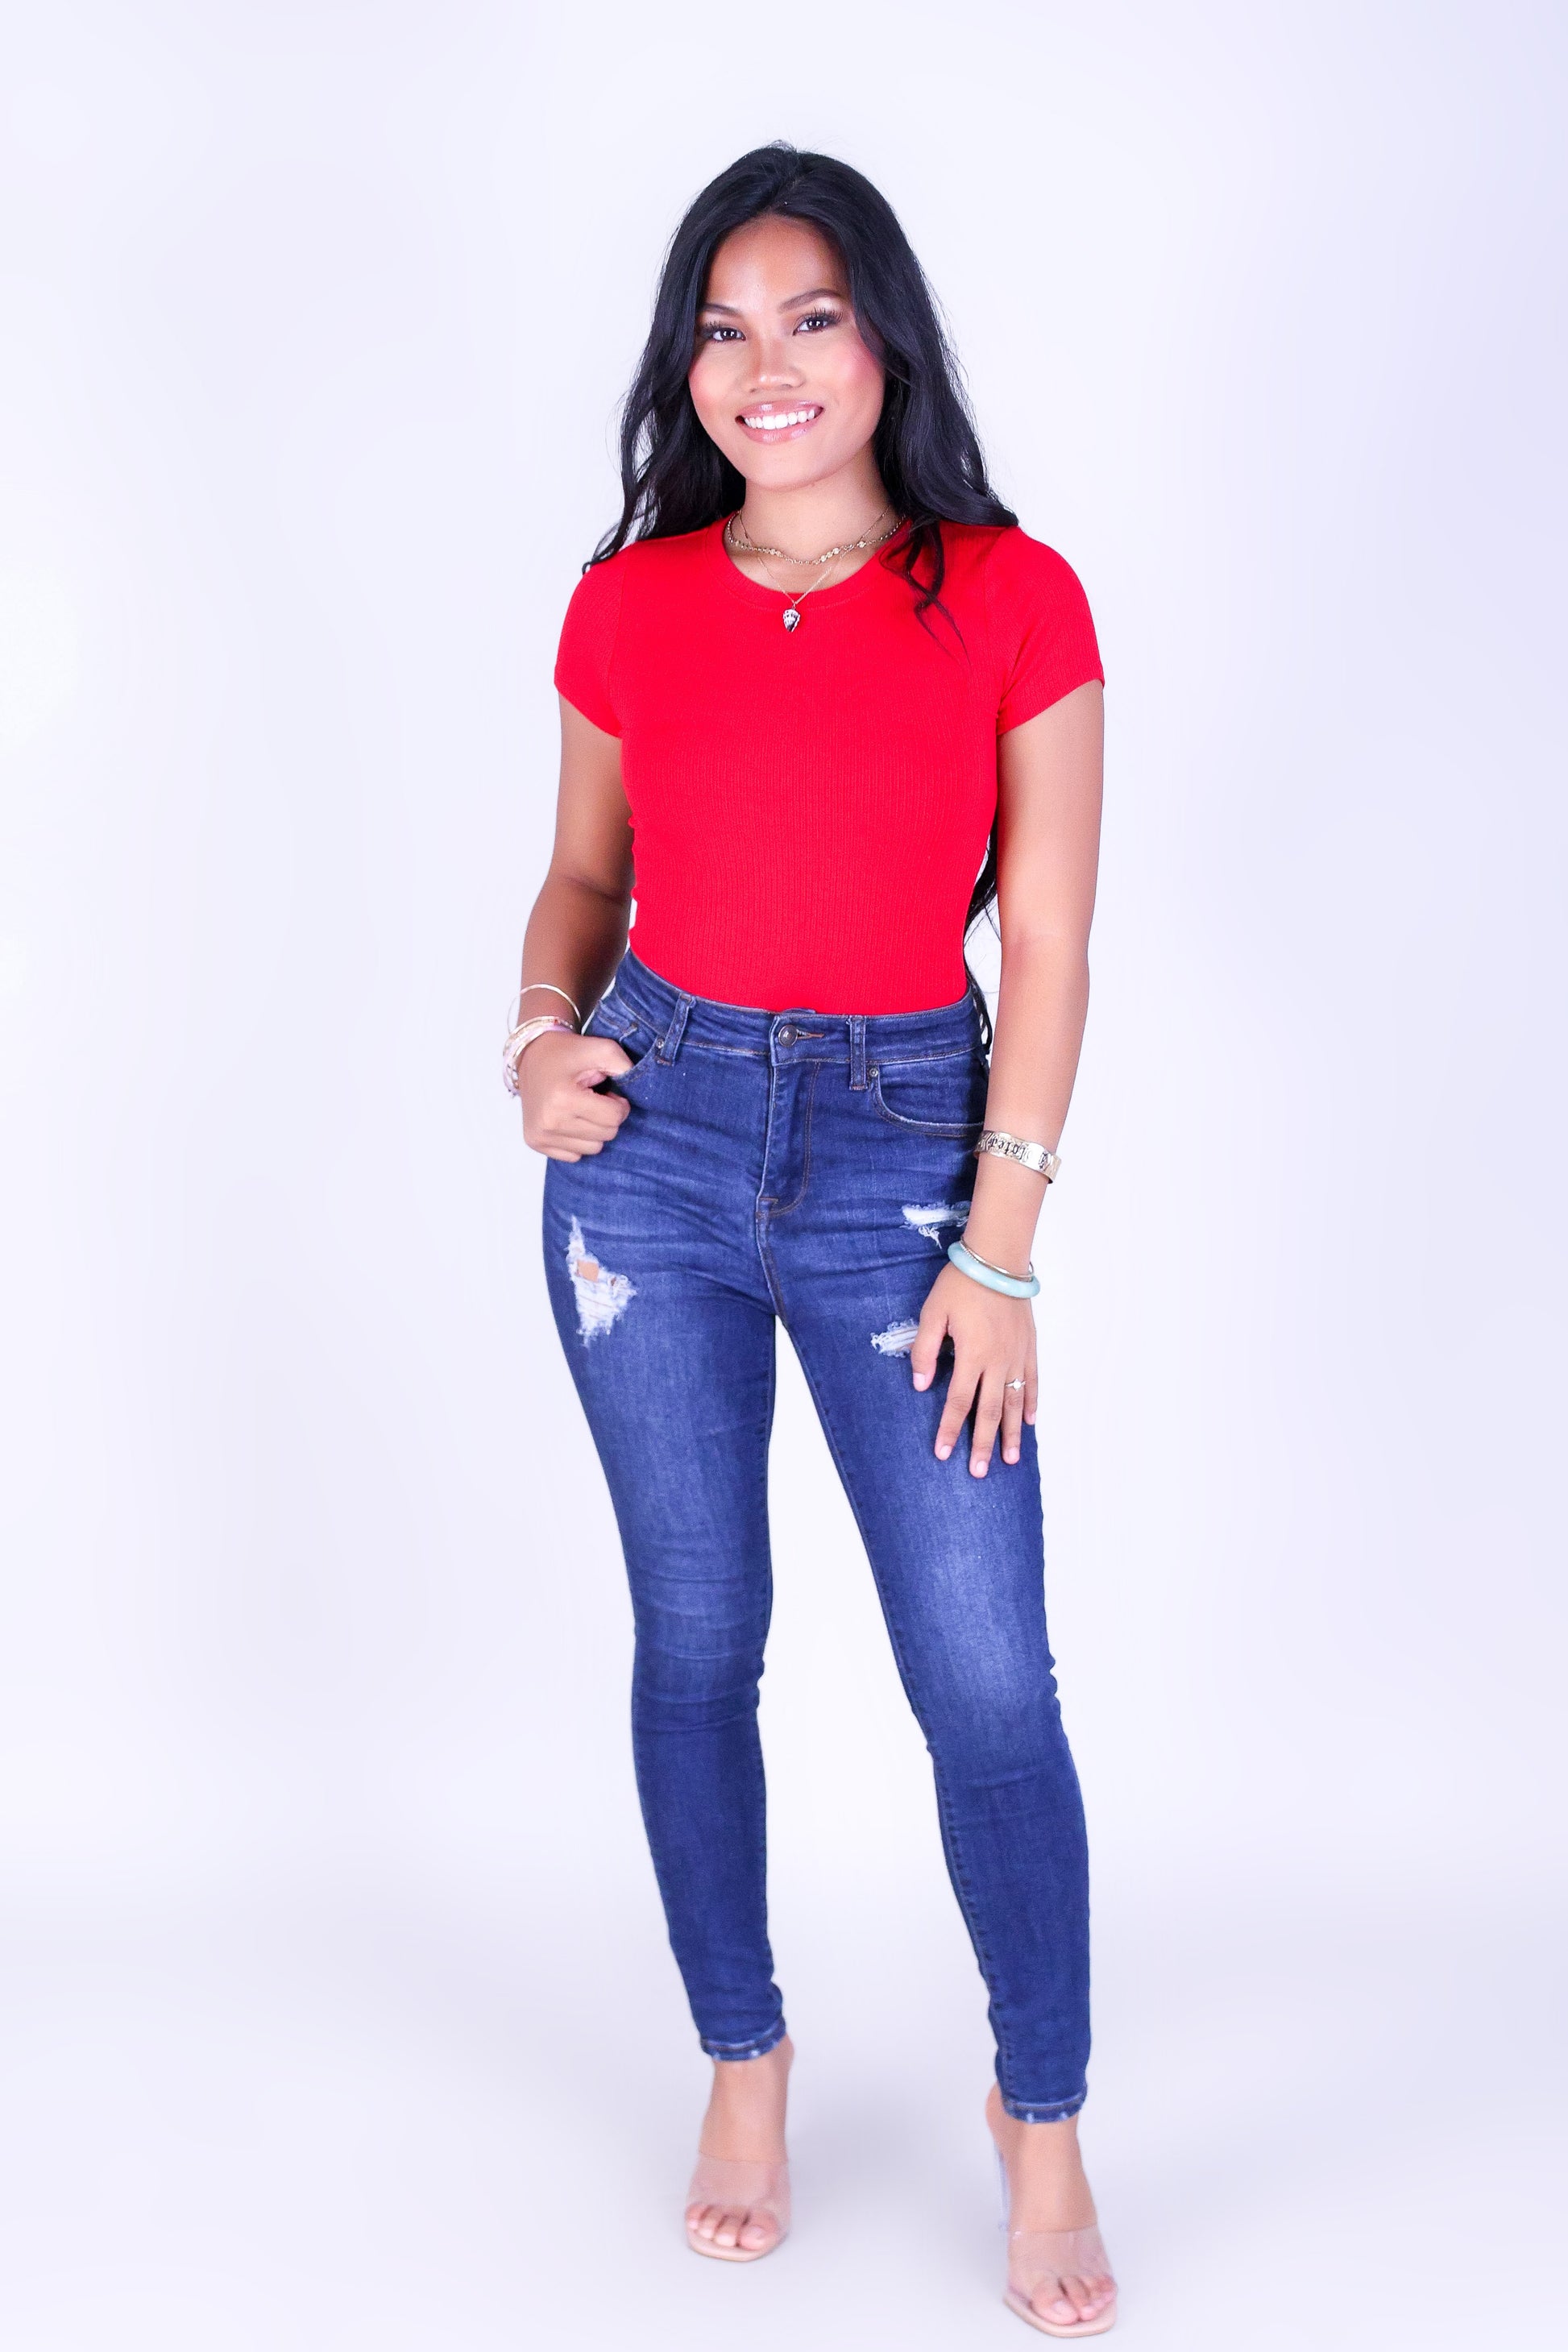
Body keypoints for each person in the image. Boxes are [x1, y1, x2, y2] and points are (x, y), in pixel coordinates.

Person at [506, 142, 1116, 2338]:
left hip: (901, 1162)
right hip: (650, 1160)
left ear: (886, 344)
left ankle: (1038, 2112)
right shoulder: (629, 602)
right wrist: (538, 1038)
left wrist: (1000, 1248)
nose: (765, 365)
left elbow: (1046, 943)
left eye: (812, 316)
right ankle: (742, 2063)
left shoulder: (1010, 595)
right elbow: (585, 884)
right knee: (697, 1640)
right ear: (687, 364)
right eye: (724, 325)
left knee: (984, 1680)